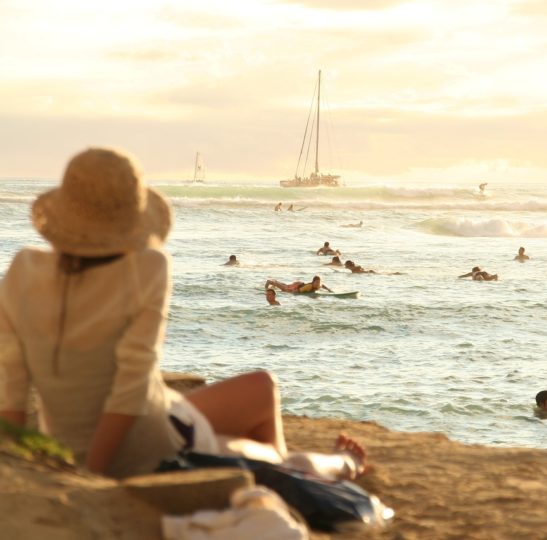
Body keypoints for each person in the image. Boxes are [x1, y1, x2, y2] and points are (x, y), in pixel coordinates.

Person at [0, 147, 365, 481]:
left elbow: (10, 392)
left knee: (260, 387)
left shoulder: (23, 268)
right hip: (145, 445)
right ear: (131, 217)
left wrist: (23, 467)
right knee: (274, 456)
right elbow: (130, 389)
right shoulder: (146, 266)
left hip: (93, 431)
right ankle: (342, 464)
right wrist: (92, 476)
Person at [265, 275, 333, 294]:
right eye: (317, 282)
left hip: (299, 284)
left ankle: (275, 281)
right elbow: (296, 291)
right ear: (313, 282)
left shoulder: (317, 285)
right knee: (285, 289)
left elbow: (322, 285)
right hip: (297, 286)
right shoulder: (309, 286)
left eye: (319, 282)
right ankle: (269, 282)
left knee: (286, 286)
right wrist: (289, 293)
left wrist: (328, 289)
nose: (318, 284)